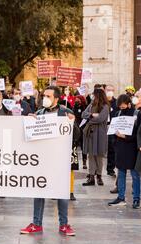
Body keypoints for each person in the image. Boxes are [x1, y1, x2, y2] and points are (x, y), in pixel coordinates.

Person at [20, 86, 76, 236]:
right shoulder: (39, 113)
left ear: (56, 99)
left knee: (61, 193)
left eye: (48, 96)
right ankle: (36, 223)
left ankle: (64, 224)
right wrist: (30, 123)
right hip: (43, 160)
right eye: (44, 95)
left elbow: (76, 136)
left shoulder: (65, 113)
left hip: (59, 160)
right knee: (39, 191)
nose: (45, 98)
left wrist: (72, 123)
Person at [108, 95, 141, 209]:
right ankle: (121, 197)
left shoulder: (137, 114)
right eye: (120, 107)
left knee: (135, 175)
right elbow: (113, 130)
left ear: (128, 104)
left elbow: (139, 133)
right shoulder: (117, 114)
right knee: (121, 173)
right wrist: (115, 142)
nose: (122, 109)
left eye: (124, 106)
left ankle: (136, 199)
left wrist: (125, 137)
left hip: (132, 148)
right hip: (120, 148)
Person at [82, 88, 109, 186]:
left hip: (100, 134)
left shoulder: (105, 106)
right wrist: (92, 115)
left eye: (94, 95)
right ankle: (91, 177)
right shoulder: (91, 105)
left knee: (99, 156)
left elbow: (101, 119)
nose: (93, 96)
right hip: (91, 133)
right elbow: (83, 114)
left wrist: (89, 120)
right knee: (91, 156)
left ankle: (99, 176)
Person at [106, 85, 118, 177]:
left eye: (111, 90)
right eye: (108, 90)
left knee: (112, 148)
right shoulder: (102, 102)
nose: (109, 91)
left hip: (112, 127)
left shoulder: (116, 102)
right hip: (103, 127)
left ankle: (110, 168)